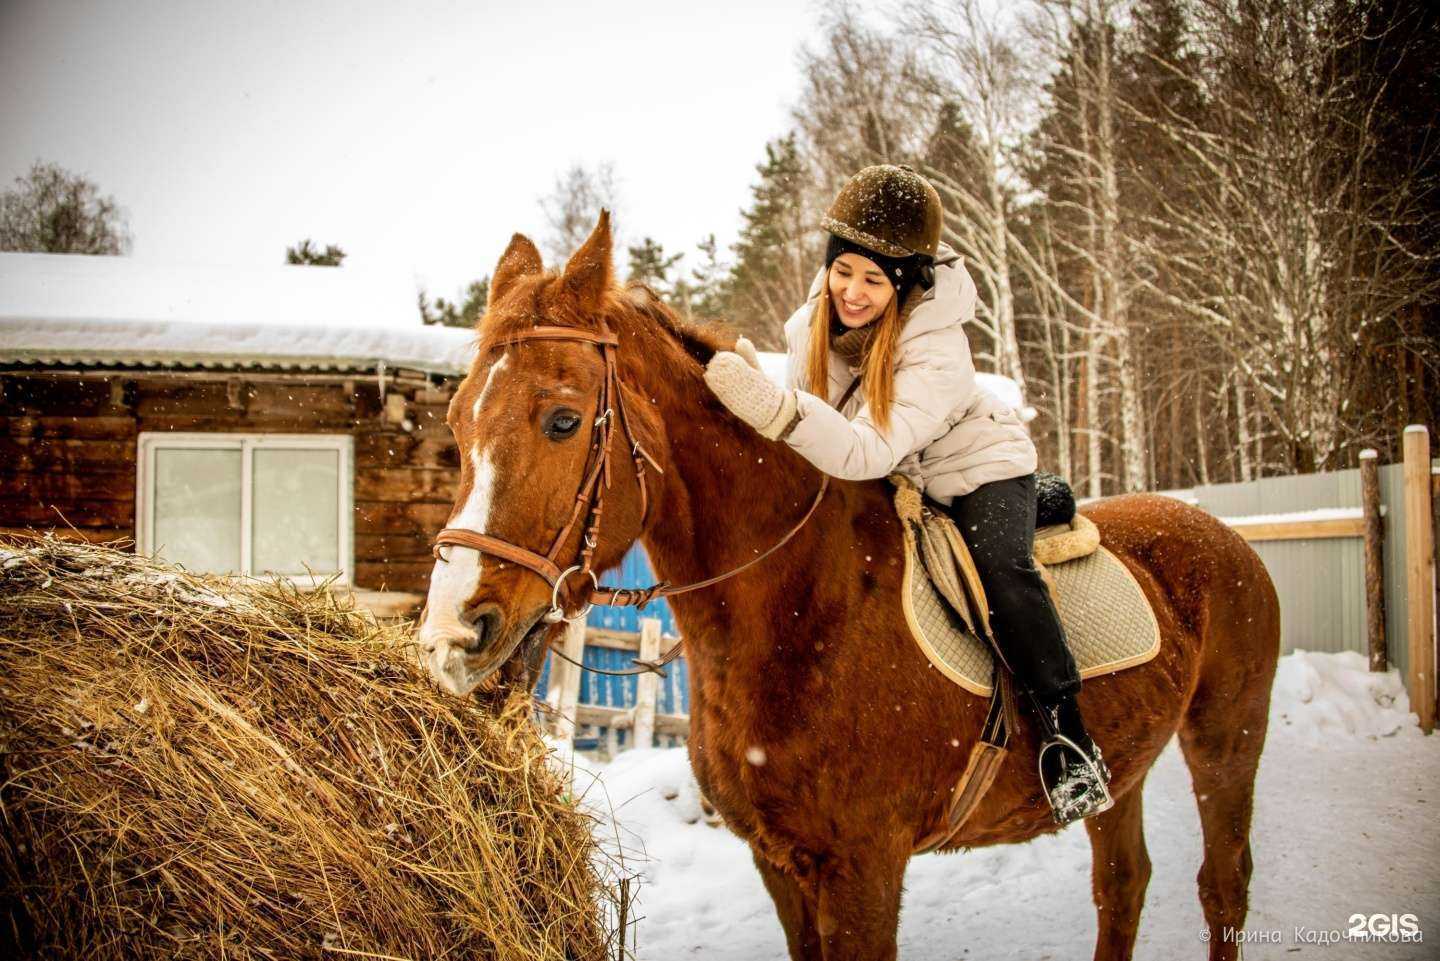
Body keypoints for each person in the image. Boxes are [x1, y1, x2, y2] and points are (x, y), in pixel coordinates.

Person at [703, 163, 1112, 824]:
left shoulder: (938, 350)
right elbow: (822, 419)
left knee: (1001, 572)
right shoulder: (811, 325)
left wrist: (776, 411)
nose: (853, 292)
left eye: (874, 279)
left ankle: (1070, 738)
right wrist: (766, 393)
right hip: (895, 471)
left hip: (973, 466)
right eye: (844, 271)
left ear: (906, 282)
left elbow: (862, 446)